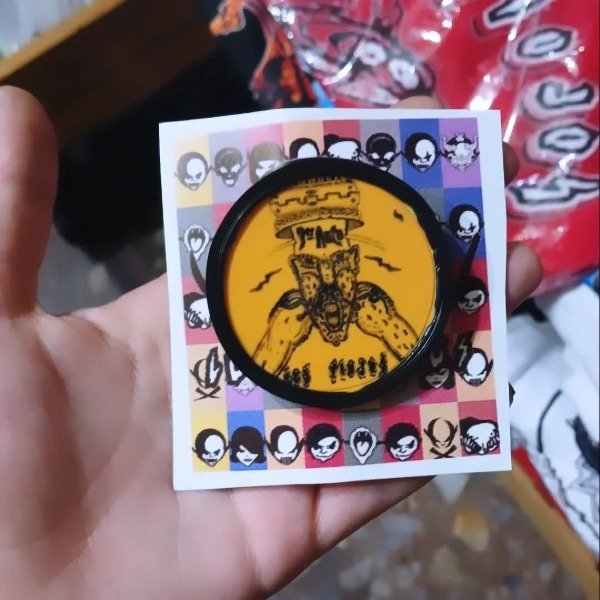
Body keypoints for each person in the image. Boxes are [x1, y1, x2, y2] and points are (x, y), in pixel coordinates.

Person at [0, 87, 542, 596]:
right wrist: (275, 351)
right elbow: (254, 372)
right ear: (294, 274)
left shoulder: (385, 307)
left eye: (340, 263)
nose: (328, 283)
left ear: (356, 262)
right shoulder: (277, 327)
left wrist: (395, 332)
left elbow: (427, 354)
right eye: (311, 269)